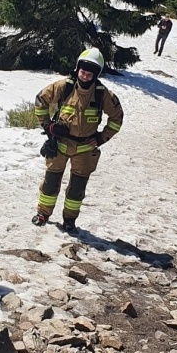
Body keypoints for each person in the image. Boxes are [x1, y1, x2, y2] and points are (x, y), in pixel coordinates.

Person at [32, 47, 124, 233]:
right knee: (50, 183)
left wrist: (101, 137)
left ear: (96, 75)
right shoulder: (63, 86)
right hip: (59, 144)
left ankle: (69, 221)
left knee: (77, 189)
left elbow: (117, 118)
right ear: (77, 68)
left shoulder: (102, 94)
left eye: (90, 74)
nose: (85, 76)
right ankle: (43, 214)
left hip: (84, 148)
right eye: (82, 72)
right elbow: (40, 101)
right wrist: (48, 127)